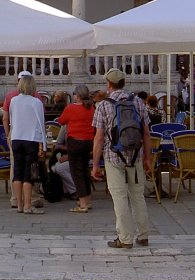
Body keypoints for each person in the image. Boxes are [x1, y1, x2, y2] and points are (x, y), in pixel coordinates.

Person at [92, 68, 152, 249]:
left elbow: (99, 137)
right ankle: (143, 235)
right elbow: (147, 133)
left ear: (108, 84)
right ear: (124, 83)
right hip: (135, 156)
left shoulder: (103, 105)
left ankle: (125, 238)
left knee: (119, 197)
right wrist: (148, 157)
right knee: (137, 195)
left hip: (113, 156)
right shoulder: (138, 103)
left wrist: (95, 164)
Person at [8, 73, 46, 214]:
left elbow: (12, 120)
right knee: (28, 174)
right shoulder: (36, 102)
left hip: (17, 138)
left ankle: (18, 204)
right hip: (31, 139)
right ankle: (27, 205)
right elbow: (41, 123)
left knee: (17, 172)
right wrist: (44, 144)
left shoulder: (13, 101)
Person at [57, 84, 95, 213]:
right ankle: (87, 200)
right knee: (84, 170)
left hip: (75, 142)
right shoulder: (91, 108)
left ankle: (83, 203)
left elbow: (61, 121)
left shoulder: (71, 108)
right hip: (88, 141)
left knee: (76, 172)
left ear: (77, 96)